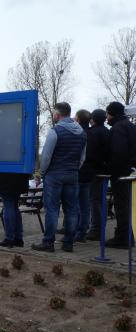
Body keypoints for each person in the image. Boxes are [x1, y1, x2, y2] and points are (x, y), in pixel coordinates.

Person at [32, 102, 86, 253]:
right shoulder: (81, 132)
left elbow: (46, 157)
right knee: (71, 209)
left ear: (58, 114)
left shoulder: (55, 131)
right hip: (73, 174)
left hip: (54, 175)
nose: (54, 114)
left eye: (55, 112)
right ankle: (68, 243)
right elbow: (82, 158)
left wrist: (42, 173)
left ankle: (48, 242)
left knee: (52, 209)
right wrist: (74, 169)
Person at [105, 102, 136, 248]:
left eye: (107, 114)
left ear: (113, 113)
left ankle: (123, 237)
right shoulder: (130, 126)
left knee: (121, 206)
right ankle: (129, 235)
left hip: (121, 174)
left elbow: (118, 152)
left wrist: (112, 170)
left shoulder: (118, 128)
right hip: (130, 171)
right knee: (129, 205)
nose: (106, 117)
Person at [85, 109, 111, 241]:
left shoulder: (91, 133)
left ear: (92, 119)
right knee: (101, 200)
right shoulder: (108, 132)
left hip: (94, 171)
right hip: (105, 171)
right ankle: (100, 228)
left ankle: (95, 230)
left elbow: (89, 154)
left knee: (94, 201)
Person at [73, 109, 96, 242]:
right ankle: (82, 231)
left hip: (78, 172)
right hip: (89, 173)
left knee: (74, 205)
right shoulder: (93, 133)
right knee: (85, 205)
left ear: (78, 119)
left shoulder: (78, 133)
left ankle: (75, 231)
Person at [0, 172, 30, 248]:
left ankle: (9, 238)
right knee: (14, 207)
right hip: (20, 179)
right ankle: (18, 238)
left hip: (6, 180)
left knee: (8, 207)